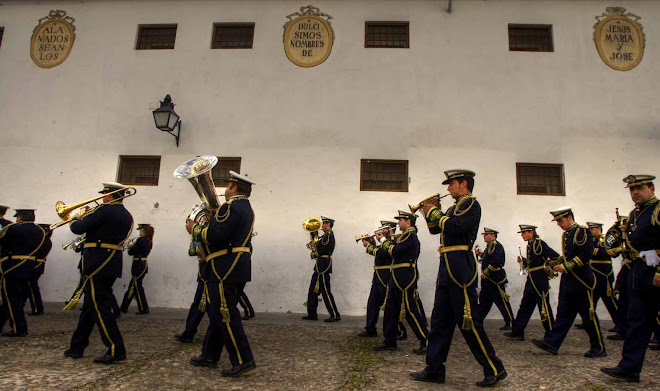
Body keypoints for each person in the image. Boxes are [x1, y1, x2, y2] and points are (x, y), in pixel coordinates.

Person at [411, 169, 506, 387]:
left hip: (461, 268)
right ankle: (434, 369)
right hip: (447, 267)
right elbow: (437, 230)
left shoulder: (471, 204)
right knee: (439, 322)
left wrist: (435, 211)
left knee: (469, 323)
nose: (448, 188)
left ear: (463, 183)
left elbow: (455, 226)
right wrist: (429, 213)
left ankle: (495, 368)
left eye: (451, 184)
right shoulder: (455, 207)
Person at [187, 170, 256, 377]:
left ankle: (244, 360)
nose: (225, 190)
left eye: (228, 186)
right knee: (219, 312)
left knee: (226, 314)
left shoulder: (231, 207)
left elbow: (215, 235)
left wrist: (195, 228)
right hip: (235, 266)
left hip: (225, 267)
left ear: (234, 188)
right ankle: (209, 355)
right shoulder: (245, 208)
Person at [63, 182, 133, 364]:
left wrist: (75, 217)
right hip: (110, 263)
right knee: (90, 306)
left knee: (100, 307)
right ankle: (77, 346)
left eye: (104, 195)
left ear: (109, 196)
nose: (102, 198)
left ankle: (115, 348)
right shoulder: (127, 215)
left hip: (96, 263)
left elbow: (77, 228)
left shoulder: (104, 211)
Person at [601, 175, 660, 382]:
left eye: (639, 188)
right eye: (631, 189)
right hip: (639, 271)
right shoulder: (634, 214)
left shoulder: (658, 210)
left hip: (656, 271)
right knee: (638, 320)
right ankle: (630, 367)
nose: (635, 193)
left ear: (651, 188)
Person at [532, 207, 606, 358]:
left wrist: (566, 266)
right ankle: (552, 343)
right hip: (569, 280)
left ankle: (598, 347)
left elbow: (585, 255)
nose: (558, 224)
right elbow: (568, 256)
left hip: (581, 280)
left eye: (560, 220)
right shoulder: (567, 234)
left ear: (570, 218)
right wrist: (556, 263)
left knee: (588, 315)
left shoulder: (582, 232)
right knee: (564, 313)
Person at [372, 211, 428, 355]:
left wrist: (384, 240)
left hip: (405, 276)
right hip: (396, 275)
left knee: (410, 309)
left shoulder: (410, 235)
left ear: (408, 221)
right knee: (391, 309)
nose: (398, 223)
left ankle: (426, 340)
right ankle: (389, 341)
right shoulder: (404, 236)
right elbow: (394, 246)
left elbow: (395, 251)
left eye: (400, 220)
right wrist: (387, 237)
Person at [504, 225, 559, 341]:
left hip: (539, 280)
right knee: (525, 306)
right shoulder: (530, 245)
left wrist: (546, 267)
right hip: (531, 279)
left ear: (531, 232)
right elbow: (532, 262)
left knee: (544, 307)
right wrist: (523, 262)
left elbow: (556, 257)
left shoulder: (540, 243)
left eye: (524, 233)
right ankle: (517, 332)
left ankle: (551, 335)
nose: (522, 235)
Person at [0, 209, 46, 337]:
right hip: (30, 267)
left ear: (19, 218)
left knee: (10, 298)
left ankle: (18, 328)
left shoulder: (12, 229)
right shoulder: (40, 231)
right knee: (18, 298)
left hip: (12, 266)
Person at [359, 221, 407, 340]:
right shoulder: (384, 241)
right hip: (378, 274)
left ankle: (399, 330)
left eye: (384, 228)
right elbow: (379, 252)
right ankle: (370, 328)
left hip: (386, 274)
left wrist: (369, 246)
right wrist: (372, 242)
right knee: (372, 303)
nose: (380, 231)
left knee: (390, 304)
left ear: (390, 229)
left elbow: (382, 254)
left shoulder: (393, 241)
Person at [578, 222, 625, 340]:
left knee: (610, 302)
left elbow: (605, 253)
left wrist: (592, 251)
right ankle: (588, 320)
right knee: (590, 300)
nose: (590, 231)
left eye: (592, 229)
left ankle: (622, 326)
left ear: (598, 229)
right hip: (593, 274)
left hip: (603, 274)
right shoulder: (592, 241)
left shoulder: (606, 240)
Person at [302, 216, 341, 322]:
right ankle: (312, 314)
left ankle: (335, 314)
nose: (321, 225)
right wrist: (313, 235)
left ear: (328, 225)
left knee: (326, 291)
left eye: (323, 223)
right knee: (312, 291)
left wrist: (315, 245)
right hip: (319, 265)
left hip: (324, 266)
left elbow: (322, 249)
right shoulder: (324, 236)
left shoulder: (329, 236)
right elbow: (318, 246)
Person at [474, 227, 514, 331]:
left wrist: (486, 273)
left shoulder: (497, 246)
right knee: (484, 302)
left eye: (486, 235)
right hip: (488, 281)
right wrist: (480, 254)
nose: (484, 236)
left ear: (493, 235)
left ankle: (510, 321)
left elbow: (496, 261)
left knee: (502, 302)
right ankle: (477, 320)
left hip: (495, 279)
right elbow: (487, 259)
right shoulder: (490, 247)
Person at [175, 239, 210, 343]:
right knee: (199, 305)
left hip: (210, 272)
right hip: (205, 272)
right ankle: (189, 332)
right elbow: (192, 252)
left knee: (212, 308)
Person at [120, 224, 153, 315]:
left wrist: (130, 246)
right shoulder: (149, 240)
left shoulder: (141, 240)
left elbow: (131, 252)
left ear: (144, 230)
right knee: (134, 286)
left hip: (138, 264)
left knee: (136, 287)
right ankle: (124, 307)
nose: (139, 231)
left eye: (141, 229)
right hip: (143, 263)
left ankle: (143, 308)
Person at [25, 224, 53, 316]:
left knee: (32, 287)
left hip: (35, 264)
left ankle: (37, 309)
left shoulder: (42, 241)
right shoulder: (46, 241)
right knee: (30, 287)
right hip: (38, 265)